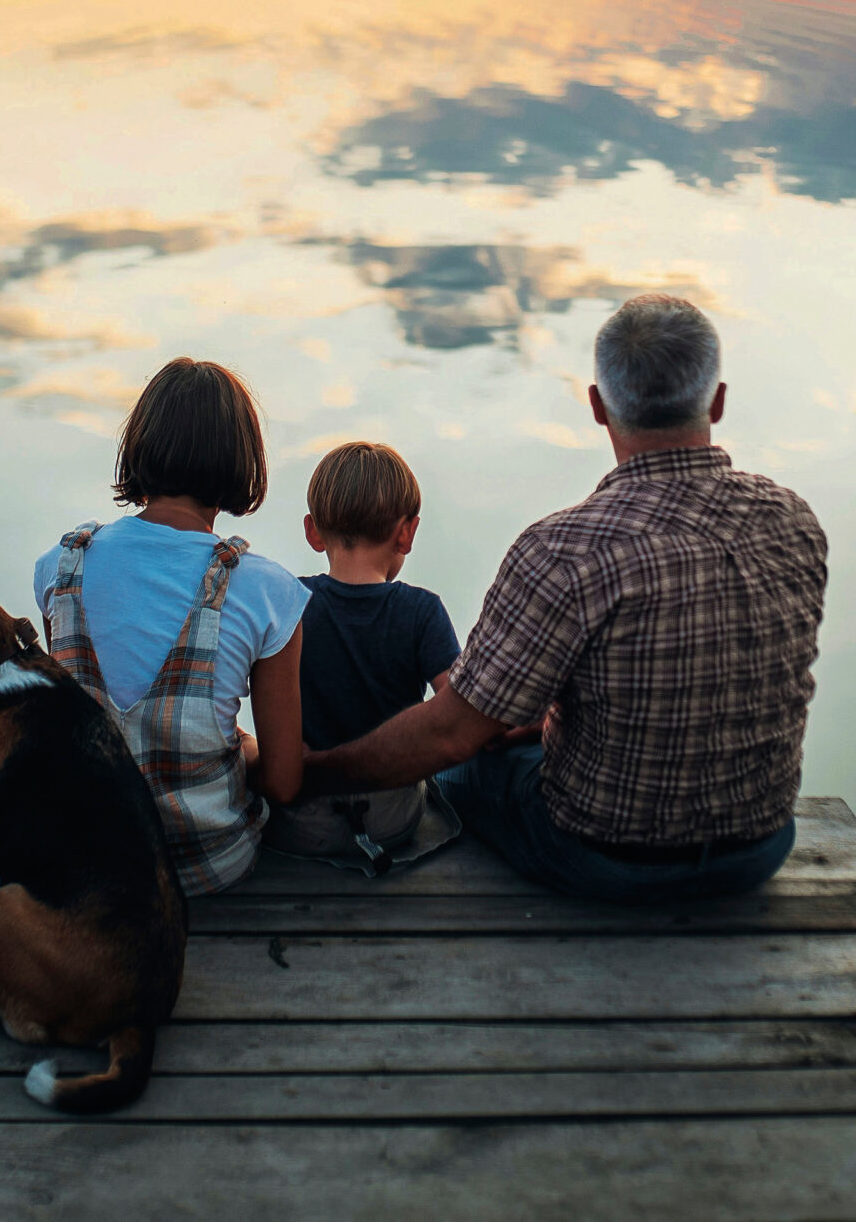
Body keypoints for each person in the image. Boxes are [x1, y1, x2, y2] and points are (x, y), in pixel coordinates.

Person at [300, 294, 827, 905]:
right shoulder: (793, 522)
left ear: (598, 406)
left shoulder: (564, 550)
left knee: (456, 765)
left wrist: (310, 774)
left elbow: (449, 735)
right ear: (717, 400)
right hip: (758, 848)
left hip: (603, 860)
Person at [34, 358, 305, 895]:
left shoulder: (60, 568)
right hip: (207, 869)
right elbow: (283, 781)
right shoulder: (269, 592)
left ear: (138, 443)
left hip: (84, 868)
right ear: (242, 457)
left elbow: (75, 720)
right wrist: (240, 745)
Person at [263, 442, 463, 874]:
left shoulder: (288, 603)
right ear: (406, 533)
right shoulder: (422, 611)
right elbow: (458, 708)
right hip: (393, 821)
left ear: (313, 532)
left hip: (301, 821)